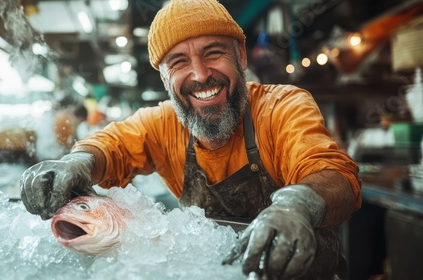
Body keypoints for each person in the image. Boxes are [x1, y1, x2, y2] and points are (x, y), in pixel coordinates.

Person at [20, 0, 361, 279]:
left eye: (213, 53)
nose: (199, 75)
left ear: (240, 55)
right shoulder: (162, 122)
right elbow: (113, 145)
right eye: (179, 62)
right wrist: (76, 162)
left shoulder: (281, 107)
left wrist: (296, 206)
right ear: (165, 77)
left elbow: (335, 175)